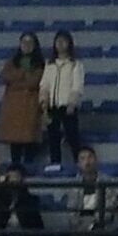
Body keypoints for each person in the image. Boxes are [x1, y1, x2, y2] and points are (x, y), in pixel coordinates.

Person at [0, 33, 44, 168]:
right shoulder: (12, 61)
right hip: (13, 107)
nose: (26, 45)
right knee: (14, 142)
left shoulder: (40, 63)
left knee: (29, 140)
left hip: (30, 105)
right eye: (24, 42)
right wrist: (23, 74)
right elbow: (5, 76)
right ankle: (15, 168)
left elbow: (34, 82)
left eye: (30, 43)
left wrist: (15, 82)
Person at [39, 29, 84, 168]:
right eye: (58, 41)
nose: (60, 44)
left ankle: (79, 163)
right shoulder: (50, 64)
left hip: (67, 106)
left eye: (63, 41)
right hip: (52, 107)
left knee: (72, 137)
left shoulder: (75, 64)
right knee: (53, 138)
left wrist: (72, 103)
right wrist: (44, 100)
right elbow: (45, 84)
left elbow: (77, 85)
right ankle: (55, 165)